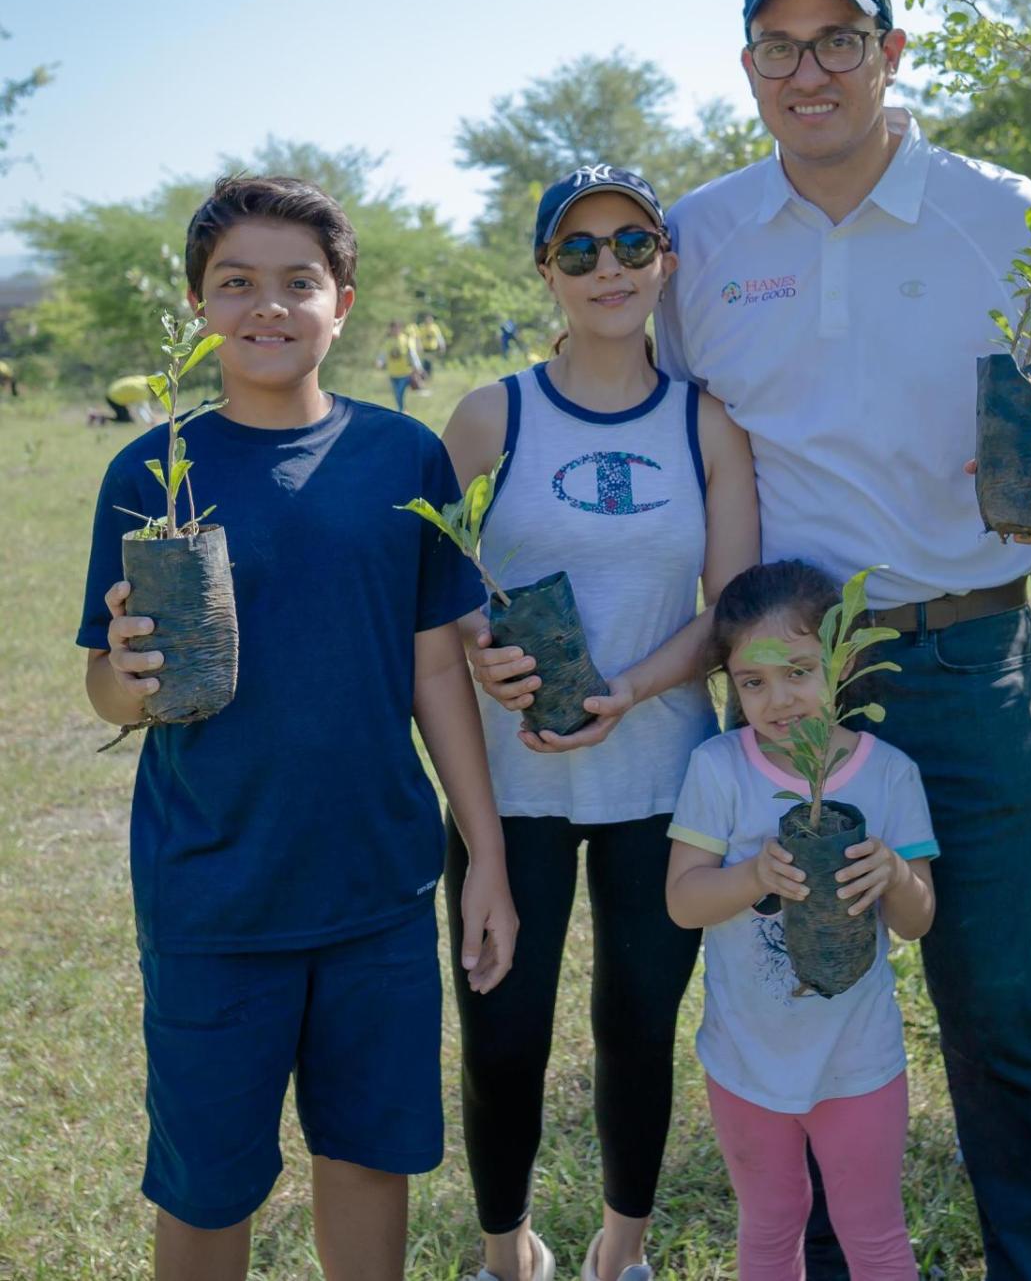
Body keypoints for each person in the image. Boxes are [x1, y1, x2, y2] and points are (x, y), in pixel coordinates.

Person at [655, 0, 1031, 1281]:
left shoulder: (1002, 209)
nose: (812, 71)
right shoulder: (702, 232)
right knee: (796, 996)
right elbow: (667, 424)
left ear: (892, 51)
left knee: (998, 1007)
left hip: (965, 649)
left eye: (840, 38)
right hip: (786, 685)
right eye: (781, 46)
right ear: (749, 67)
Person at [77, 175, 516, 1281]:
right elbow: (106, 684)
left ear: (344, 303)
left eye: (298, 283)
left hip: (375, 886)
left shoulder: (400, 457)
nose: (268, 307)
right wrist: (128, 679)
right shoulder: (149, 471)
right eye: (236, 284)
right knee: (210, 1176)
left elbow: (433, 667)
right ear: (198, 305)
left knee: (371, 1156)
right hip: (213, 889)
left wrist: (487, 859)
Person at [440, 163, 760, 1281]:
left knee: (638, 1026)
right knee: (503, 1032)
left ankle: (619, 1251)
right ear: (546, 272)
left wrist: (633, 687)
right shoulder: (493, 416)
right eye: (578, 250)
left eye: (631, 245)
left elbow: (729, 609)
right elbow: (430, 593)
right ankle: (504, 1252)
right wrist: (484, 649)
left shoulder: (704, 423)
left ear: (663, 262)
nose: (608, 268)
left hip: (663, 783)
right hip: (512, 788)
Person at [667, 559, 936, 1281]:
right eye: (752, 683)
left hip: (859, 1062)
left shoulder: (888, 774)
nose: (778, 699)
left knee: (874, 1234)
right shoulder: (719, 769)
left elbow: (917, 919)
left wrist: (895, 875)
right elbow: (682, 899)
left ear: (841, 665)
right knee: (769, 1226)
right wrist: (753, 875)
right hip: (746, 1061)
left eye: (798, 671)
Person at [379, 318, 424, 412]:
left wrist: (418, 367)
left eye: (397, 328)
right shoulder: (388, 341)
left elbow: (412, 354)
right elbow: (383, 354)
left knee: (400, 393)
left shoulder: (406, 340)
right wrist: (380, 361)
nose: (395, 330)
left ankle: (401, 410)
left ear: (400, 329)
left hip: (404, 373)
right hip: (392, 373)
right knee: (396, 394)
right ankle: (403, 409)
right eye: (393, 328)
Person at [87, 373, 157, 425]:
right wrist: (150, 420)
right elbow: (142, 408)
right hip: (114, 397)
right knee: (127, 420)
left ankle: (98, 416)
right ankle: (97, 416)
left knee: (126, 416)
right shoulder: (144, 391)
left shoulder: (144, 379)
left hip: (112, 390)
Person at [417, 309, 448, 376]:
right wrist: (419, 346)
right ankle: (425, 375)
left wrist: (442, 346)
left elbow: (439, 337)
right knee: (425, 362)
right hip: (425, 348)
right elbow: (419, 338)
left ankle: (428, 374)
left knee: (429, 362)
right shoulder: (422, 327)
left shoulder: (435, 327)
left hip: (432, 349)